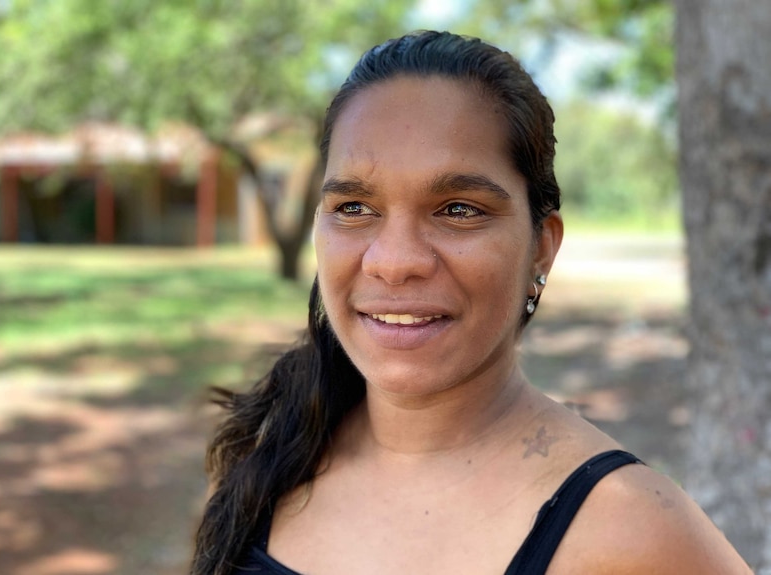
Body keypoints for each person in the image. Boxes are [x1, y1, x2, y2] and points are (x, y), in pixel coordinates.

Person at [191, 31, 751, 575]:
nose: (394, 261)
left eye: (458, 209)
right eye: (355, 207)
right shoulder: (265, 455)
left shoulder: (631, 530)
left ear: (541, 249)